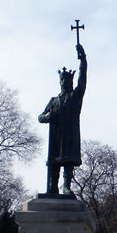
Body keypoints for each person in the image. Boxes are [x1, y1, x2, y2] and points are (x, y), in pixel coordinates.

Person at [38, 43, 87, 195]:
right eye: (63, 81)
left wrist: (83, 59)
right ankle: (53, 186)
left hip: (70, 135)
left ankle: (66, 187)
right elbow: (40, 117)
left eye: (68, 81)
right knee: (54, 162)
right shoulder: (53, 101)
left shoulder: (75, 97)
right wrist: (48, 116)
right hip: (56, 136)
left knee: (68, 161)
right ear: (60, 83)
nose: (65, 83)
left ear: (71, 82)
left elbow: (83, 79)